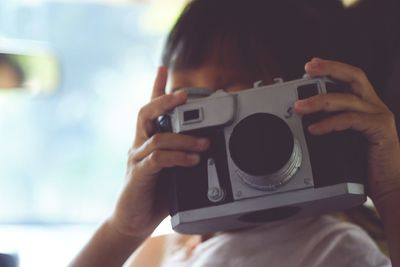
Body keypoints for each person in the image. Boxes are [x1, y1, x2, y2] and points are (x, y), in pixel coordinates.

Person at [69, 0, 400, 266]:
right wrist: (125, 228)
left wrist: (391, 192)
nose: (204, 129)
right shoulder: (159, 251)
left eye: (231, 96)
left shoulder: (333, 251)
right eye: (186, 102)